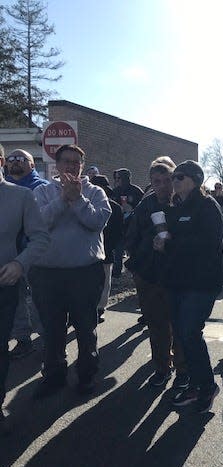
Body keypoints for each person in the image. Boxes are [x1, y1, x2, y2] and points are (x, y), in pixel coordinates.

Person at [30, 144, 111, 398]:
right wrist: (62, 198)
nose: (71, 166)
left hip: (85, 273)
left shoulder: (96, 192)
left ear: (82, 166)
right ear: (57, 164)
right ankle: (54, 375)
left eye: (76, 162)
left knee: (86, 328)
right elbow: (39, 224)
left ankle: (86, 374)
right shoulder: (42, 192)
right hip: (47, 273)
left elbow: (96, 222)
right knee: (52, 329)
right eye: (66, 161)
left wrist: (77, 199)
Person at [153, 161, 223, 412]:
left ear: (195, 179)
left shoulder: (208, 206)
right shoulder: (176, 206)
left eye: (180, 176)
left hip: (201, 282)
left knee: (190, 332)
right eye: (174, 176)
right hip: (178, 281)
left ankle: (206, 387)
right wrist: (160, 241)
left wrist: (170, 245)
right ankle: (197, 383)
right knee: (184, 334)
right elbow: (173, 238)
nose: (174, 180)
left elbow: (206, 244)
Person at [125, 157, 189, 389]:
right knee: (157, 325)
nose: (162, 186)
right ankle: (162, 368)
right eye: (156, 181)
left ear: (174, 180)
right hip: (150, 275)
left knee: (180, 325)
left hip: (179, 277)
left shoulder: (184, 203)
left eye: (166, 180)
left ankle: (183, 370)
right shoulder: (146, 205)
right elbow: (131, 238)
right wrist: (139, 266)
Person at [0, 145, 49, 429]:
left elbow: (40, 237)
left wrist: (20, 264)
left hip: (4, 283)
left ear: (2, 162)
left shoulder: (21, 196)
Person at [4, 149, 48, 359]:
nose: (15, 162)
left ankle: (49, 339)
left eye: (21, 159)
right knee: (17, 301)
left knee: (40, 299)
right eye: (11, 159)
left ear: (32, 165)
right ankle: (23, 339)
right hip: (10, 258)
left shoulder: (41, 188)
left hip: (36, 256)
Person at [89, 175, 124, 323]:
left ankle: (100, 309)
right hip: (88, 253)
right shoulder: (85, 204)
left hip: (105, 251)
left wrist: (108, 248)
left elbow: (118, 231)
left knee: (104, 282)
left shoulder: (114, 207)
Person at [111, 168, 144, 277]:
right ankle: (117, 271)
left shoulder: (136, 191)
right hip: (119, 224)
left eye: (119, 178)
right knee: (118, 248)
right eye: (116, 178)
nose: (117, 180)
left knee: (133, 247)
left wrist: (132, 209)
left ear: (126, 178)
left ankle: (135, 270)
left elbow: (143, 207)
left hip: (133, 224)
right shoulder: (115, 191)